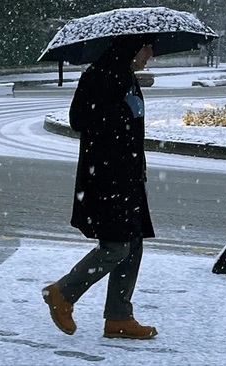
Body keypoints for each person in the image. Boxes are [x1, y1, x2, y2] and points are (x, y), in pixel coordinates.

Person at [42, 34, 158, 340]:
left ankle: (119, 317)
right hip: (107, 177)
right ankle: (63, 293)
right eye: (147, 46)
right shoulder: (101, 75)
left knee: (132, 243)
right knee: (117, 245)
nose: (150, 53)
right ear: (131, 47)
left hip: (127, 174)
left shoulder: (124, 75)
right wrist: (123, 110)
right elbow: (80, 119)